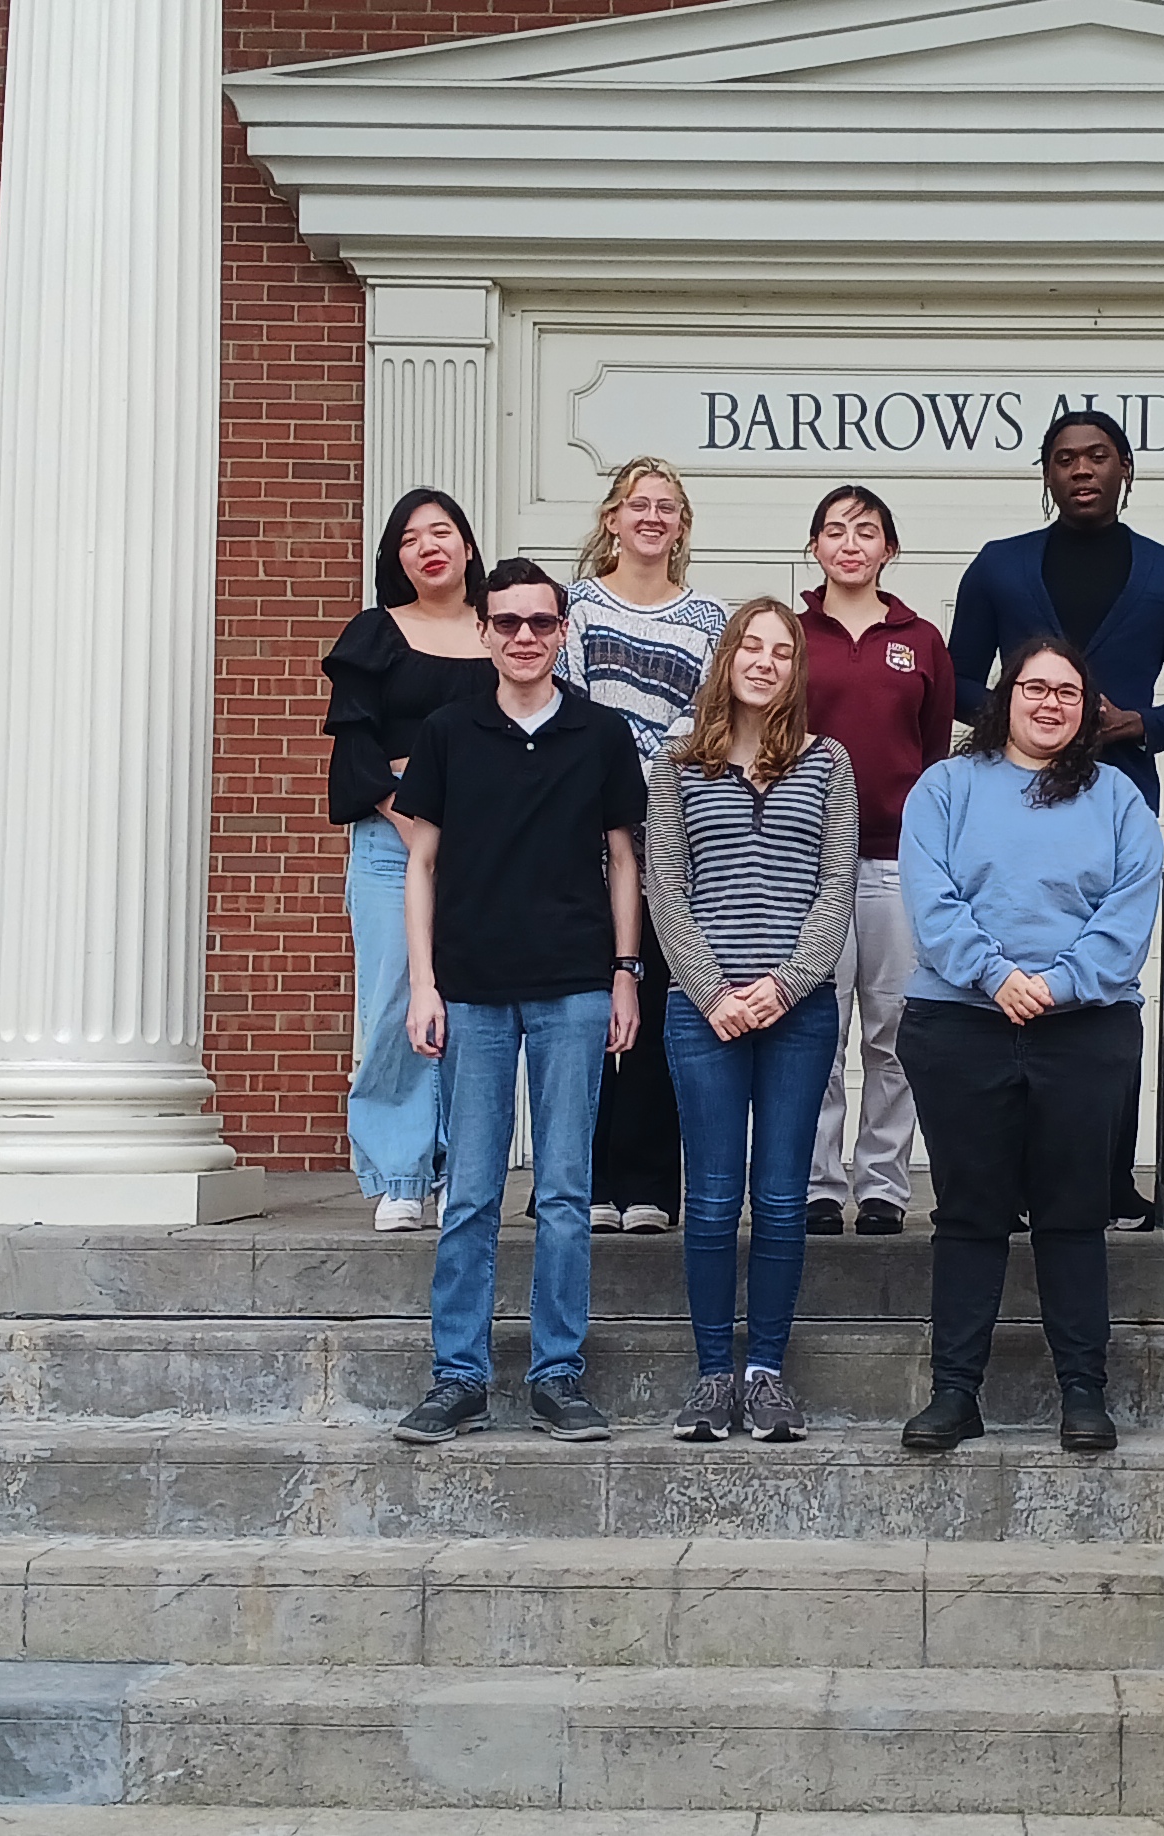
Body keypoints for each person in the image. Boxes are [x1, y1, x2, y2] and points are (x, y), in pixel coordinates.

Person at [388, 558, 646, 1447]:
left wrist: (624, 972)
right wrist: (423, 984)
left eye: (541, 622)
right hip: (472, 992)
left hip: (575, 987)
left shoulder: (601, 732)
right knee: (469, 1193)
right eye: (508, 623)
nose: (525, 637)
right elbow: (420, 864)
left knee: (566, 1192)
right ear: (484, 633)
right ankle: (457, 1376)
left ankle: (558, 1375)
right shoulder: (448, 731)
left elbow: (624, 861)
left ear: (563, 630)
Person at [945, 409, 1164, 1231]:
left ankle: (1107, 1180)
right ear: (1046, 473)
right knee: (1010, 978)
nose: (1081, 471)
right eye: (1064, 459)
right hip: (1008, 794)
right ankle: (1017, 1182)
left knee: (1102, 992)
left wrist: (1136, 724)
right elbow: (954, 682)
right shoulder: (999, 567)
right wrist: (1031, 712)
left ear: (1125, 466)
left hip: (1119, 792)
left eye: (1097, 457)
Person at [894, 638, 1164, 1455]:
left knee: (1073, 1213)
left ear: (1087, 710)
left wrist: (1060, 984)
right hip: (961, 1023)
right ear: (1004, 696)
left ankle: (1084, 1392)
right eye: (1034, 688)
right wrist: (994, 975)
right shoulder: (946, 786)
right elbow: (930, 894)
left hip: (1083, 1029)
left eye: (1069, 693)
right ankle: (955, 1392)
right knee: (969, 1212)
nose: (1049, 703)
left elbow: (1129, 907)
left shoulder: (1117, 798)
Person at [647, 598, 858, 1443]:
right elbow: (667, 887)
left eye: (781, 651)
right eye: (751, 647)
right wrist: (714, 993)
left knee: (778, 1200)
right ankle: (710, 1378)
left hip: (797, 1016)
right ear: (726, 658)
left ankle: (765, 1374)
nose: (765, 662)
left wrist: (785, 985)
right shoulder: (673, 762)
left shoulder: (827, 763)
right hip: (703, 1017)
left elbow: (835, 888)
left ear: (795, 671)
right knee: (710, 1202)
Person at [320, 490, 495, 1234]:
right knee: (398, 1009)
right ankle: (400, 1174)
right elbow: (355, 751)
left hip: (486, 855)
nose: (429, 546)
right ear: (397, 559)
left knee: (475, 1015)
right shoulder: (376, 633)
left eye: (443, 532)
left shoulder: (502, 633)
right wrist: (415, 819)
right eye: (411, 538)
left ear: (466, 547)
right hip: (393, 848)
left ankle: (463, 1167)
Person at [566, 457, 730, 1238]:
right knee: (586, 1007)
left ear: (682, 526)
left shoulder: (708, 619)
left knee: (662, 1005)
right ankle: (583, 1177)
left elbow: (709, 718)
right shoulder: (578, 609)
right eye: (639, 505)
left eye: (667, 507)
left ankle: (650, 1185)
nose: (652, 517)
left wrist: (654, 789)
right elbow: (565, 706)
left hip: (669, 830)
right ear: (613, 519)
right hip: (585, 835)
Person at [792, 485, 950, 1240]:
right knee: (816, 1033)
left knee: (892, 1032)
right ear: (815, 547)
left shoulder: (918, 639)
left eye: (866, 531)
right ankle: (819, 1185)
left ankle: (884, 1185)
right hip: (807, 864)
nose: (849, 543)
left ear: (889, 548)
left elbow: (935, 750)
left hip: (895, 863)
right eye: (834, 530)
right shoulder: (790, 636)